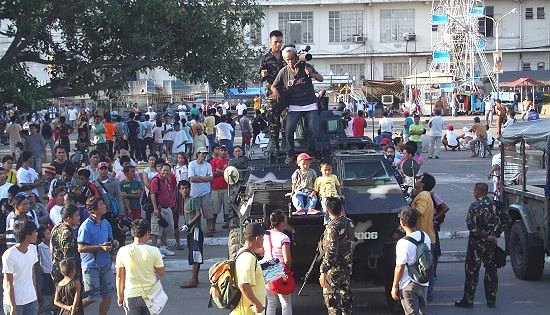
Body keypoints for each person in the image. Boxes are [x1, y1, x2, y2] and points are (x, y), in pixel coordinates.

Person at [271, 45, 324, 164]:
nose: (289, 61)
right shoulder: (284, 71)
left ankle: (311, 153)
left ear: (296, 57)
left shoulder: (305, 66)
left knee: (313, 130)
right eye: (286, 59)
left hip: (310, 104)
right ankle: (290, 154)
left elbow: (321, 78)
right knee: (289, 130)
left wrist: (311, 74)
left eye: (291, 58)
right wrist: (276, 91)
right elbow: (274, 85)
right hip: (294, 105)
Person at [455, 183, 502, 309]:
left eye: (475, 190)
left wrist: (485, 236)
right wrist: (494, 235)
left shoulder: (475, 206)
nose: (473, 193)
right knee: (491, 271)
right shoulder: (494, 205)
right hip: (491, 245)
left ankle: (468, 300)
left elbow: (471, 226)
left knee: (472, 272)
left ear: (478, 191)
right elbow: (502, 221)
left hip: (476, 244)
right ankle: (491, 299)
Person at [115, 219, 165, 315]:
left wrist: (120, 296)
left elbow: (119, 276)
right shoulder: (154, 251)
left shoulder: (123, 251)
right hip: (151, 294)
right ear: (147, 233)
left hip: (131, 294)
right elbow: (161, 273)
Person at [78, 197, 116, 315]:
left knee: (107, 295)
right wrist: (100, 247)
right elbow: (81, 248)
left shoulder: (106, 223)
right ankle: (69, 311)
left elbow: (110, 240)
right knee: (91, 297)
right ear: (93, 210)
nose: (104, 205)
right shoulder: (85, 226)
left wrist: (114, 244)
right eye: (101, 204)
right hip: (91, 266)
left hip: (105, 264)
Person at [391, 207, 431, 315]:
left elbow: (400, 267)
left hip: (408, 283)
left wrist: (395, 286)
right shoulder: (425, 236)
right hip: (424, 282)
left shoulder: (402, 243)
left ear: (402, 222)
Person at [318, 197, 354, 315]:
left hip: (334, 271)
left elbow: (331, 253)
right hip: (346, 268)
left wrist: (323, 271)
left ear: (327, 211)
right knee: (346, 303)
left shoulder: (332, 228)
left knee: (333, 304)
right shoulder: (349, 223)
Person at [230, 223, 268, 315]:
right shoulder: (248, 258)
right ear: (257, 238)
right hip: (248, 311)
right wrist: (257, 304)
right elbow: (243, 284)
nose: (263, 239)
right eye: (262, 237)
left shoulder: (243, 252)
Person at [2, 220, 39, 315]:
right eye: (34, 232)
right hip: (15, 302)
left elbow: (32, 274)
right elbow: (8, 283)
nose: (37, 234)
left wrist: (35, 296)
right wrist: (12, 307)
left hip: (30, 299)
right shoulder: (9, 255)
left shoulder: (32, 249)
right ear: (27, 236)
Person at [262, 210, 292, 315]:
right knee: (285, 302)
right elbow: (287, 259)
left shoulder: (266, 234)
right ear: (282, 222)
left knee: (271, 302)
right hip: (279, 269)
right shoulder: (284, 238)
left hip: (266, 267)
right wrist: (288, 270)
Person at [260, 30, 285, 153]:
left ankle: (286, 142)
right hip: (271, 93)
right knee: (274, 121)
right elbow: (261, 77)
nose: (279, 45)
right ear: (270, 42)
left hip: (286, 93)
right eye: (276, 42)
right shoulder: (265, 58)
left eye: (280, 42)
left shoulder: (286, 56)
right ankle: (275, 145)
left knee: (287, 119)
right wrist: (262, 74)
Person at [178, 180, 203, 288]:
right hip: (190, 230)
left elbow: (198, 214)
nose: (184, 190)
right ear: (179, 190)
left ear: (190, 189)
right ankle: (195, 278)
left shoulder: (193, 200)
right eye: (182, 188)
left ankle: (193, 279)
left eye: (186, 188)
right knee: (192, 254)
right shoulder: (185, 201)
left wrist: (188, 224)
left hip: (195, 230)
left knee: (196, 254)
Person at [94, 162, 126, 245]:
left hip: (113, 212)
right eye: (101, 169)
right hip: (101, 213)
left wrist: (121, 212)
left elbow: (119, 197)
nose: (103, 171)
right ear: (98, 170)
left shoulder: (114, 182)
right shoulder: (95, 183)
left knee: (117, 233)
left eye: (105, 169)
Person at [50, 205, 82, 284]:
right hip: (67, 273)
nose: (79, 217)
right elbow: (69, 258)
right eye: (76, 215)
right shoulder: (67, 233)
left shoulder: (57, 227)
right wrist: (72, 277)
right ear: (68, 218)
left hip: (57, 269)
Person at [149, 163, 176, 256]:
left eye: (167, 170)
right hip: (158, 209)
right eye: (164, 170)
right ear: (160, 170)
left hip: (166, 207)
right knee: (156, 231)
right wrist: (155, 208)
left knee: (165, 229)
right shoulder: (155, 181)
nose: (165, 172)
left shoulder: (167, 180)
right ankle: (154, 251)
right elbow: (153, 195)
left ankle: (163, 247)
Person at [188, 147, 214, 236]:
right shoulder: (192, 164)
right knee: (195, 213)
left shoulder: (208, 165)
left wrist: (198, 177)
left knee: (208, 212)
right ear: (197, 154)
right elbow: (192, 179)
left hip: (206, 192)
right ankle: (196, 229)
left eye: (205, 154)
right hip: (195, 193)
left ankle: (209, 229)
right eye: (202, 153)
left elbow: (210, 178)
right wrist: (204, 179)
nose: (203, 155)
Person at [314, 160, 342, 225]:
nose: (327, 172)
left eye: (329, 169)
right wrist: (313, 194)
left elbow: (338, 186)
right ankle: (327, 222)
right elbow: (316, 190)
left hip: (334, 196)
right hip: (325, 197)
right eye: (325, 170)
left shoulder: (334, 177)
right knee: (325, 210)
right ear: (320, 169)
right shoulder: (318, 179)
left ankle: (338, 221)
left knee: (338, 208)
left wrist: (340, 195)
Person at [210, 145, 231, 229]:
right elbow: (212, 174)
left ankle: (228, 224)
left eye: (224, 150)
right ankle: (212, 226)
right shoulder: (213, 161)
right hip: (215, 188)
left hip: (226, 187)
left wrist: (219, 171)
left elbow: (231, 174)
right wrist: (225, 172)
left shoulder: (229, 161)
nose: (223, 152)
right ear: (218, 151)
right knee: (214, 208)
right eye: (221, 150)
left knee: (227, 208)